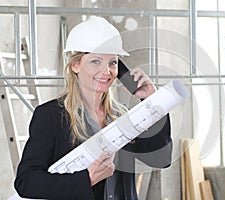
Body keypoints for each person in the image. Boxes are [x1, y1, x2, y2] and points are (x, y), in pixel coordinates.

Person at [14, 16, 172, 200]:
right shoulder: (50, 116)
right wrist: (86, 179)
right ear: (75, 65)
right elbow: (26, 182)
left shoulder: (123, 116)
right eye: (96, 61)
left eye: (112, 62)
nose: (106, 72)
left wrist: (152, 105)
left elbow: (161, 159)